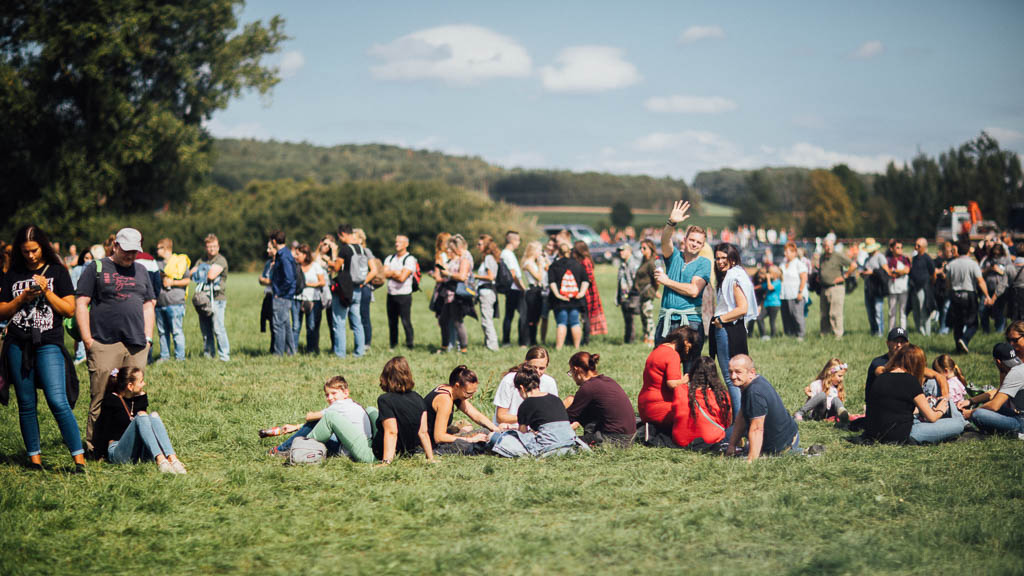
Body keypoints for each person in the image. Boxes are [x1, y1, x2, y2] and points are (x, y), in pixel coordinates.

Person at [0, 225, 85, 471]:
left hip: (48, 342)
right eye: (26, 252)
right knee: (26, 403)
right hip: (17, 343)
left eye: (34, 250)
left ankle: (78, 460)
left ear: (43, 247)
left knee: (57, 400)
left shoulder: (57, 271)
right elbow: (2, 310)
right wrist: (20, 299)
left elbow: (69, 309)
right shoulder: (13, 274)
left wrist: (46, 291)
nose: (31, 256)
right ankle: (34, 460)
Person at [77, 227, 156, 456]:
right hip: (103, 342)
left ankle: (133, 446)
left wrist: (148, 338)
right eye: (127, 251)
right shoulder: (97, 268)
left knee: (134, 396)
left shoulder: (141, 270)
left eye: (135, 252)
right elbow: (81, 303)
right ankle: (95, 449)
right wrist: (87, 340)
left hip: (136, 344)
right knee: (101, 396)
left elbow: (148, 304)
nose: (131, 256)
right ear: (116, 246)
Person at [863, 345, 963, 444]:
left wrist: (922, 406)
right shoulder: (910, 381)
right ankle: (966, 425)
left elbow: (895, 409)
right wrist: (940, 409)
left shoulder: (881, 378)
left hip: (876, 433)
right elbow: (932, 417)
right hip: (903, 434)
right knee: (959, 423)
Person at [92, 367, 186, 473]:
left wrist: (142, 397)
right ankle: (161, 460)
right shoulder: (111, 401)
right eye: (141, 381)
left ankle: (172, 458)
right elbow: (101, 429)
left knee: (153, 415)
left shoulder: (135, 399)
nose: (144, 384)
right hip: (118, 452)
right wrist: (99, 455)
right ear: (130, 386)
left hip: (136, 451)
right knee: (141, 415)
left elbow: (144, 426)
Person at [266, 375, 374, 462]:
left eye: (333, 393)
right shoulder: (352, 404)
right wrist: (296, 427)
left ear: (346, 393)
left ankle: (281, 450)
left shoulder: (339, 405)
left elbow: (310, 417)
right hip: (357, 447)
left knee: (315, 422)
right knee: (319, 423)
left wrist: (300, 424)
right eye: (327, 395)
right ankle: (289, 448)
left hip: (348, 452)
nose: (330, 398)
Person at [709, 243, 759, 424]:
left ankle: (739, 424)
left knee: (733, 379)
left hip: (728, 329)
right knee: (738, 378)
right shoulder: (734, 274)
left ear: (732, 257)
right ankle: (743, 420)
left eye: (724, 258)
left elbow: (742, 308)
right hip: (734, 329)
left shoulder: (734, 277)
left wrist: (721, 320)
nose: (720, 262)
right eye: (718, 258)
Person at [489, 366, 586, 458]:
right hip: (569, 444)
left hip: (547, 449)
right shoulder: (555, 399)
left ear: (522, 388)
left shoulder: (526, 404)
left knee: (494, 437)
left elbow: (523, 435)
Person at [655, 202, 711, 353]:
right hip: (666, 319)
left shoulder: (704, 263)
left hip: (690, 322)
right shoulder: (674, 257)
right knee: (660, 364)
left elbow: (694, 290)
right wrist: (671, 222)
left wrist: (667, 281)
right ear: (685, 240)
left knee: (690, 367)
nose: (694, 244)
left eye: (699, 242)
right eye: (692, 240)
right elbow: (665, 241)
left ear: (703, 246)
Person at [726, 355, 800, 461]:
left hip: (784, 446)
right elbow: (742, 416)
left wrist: (751, 461)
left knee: (722, 437)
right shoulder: (754, 381)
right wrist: (731, 446)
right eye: (730, 372)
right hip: (791, 435)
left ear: (751, 372)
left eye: (738, 372)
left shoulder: (754, 393)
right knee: (728, 434)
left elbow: (757, 429)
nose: (733, 376)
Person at [563, 351, 636, 446]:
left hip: (615, 440)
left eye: (571, 372)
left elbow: (570, 416)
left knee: (567, 443)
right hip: (630, 437)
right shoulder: (607, 380)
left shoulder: (588, 387)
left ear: (576, 370)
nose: (571, 376)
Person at [424, 365, 499, 455]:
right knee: (473, 444)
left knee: (486, 432)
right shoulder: (445, 400)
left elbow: (474, 414)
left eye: (473, 393)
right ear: (457, 386)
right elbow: (439, 437)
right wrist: (470, 440)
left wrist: (495, 428)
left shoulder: (450, 390)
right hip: (428, 443)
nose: (471, 397)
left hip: (435, 436)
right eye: (468, 393)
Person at [372, 356, 434, 464]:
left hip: (383, 451)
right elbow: (423, 432)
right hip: (409, 452)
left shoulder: (385, 400)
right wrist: (431, 458)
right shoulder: (418, 398)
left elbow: (391, 432)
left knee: (370, 412)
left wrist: (386, 462)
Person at [638, 326, 699, 432]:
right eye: (689, 347)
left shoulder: (658, 349)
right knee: (696, 416)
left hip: (645, 407)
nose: (688, 352)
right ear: (685, 342)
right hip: (659, 408)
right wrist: (686, 379)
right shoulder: (673, 355)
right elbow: (672, 384)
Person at [958, 340, 1024, 436]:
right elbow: (999, 392)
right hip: (1018, 415)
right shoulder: (1020, 366)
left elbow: (995, 405)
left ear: (998, 361)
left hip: (1021, 422)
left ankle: (1016, 433)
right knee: (986, 405)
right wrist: (971, 401)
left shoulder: (1014, 373)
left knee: (978, 414)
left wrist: (971, 412)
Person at [493, 346, 560, 427]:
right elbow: (500, 417)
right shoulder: (509, 380)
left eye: (541, 368)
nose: (538, 372)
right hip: (510, 428)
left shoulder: (550, 382)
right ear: (526, 363)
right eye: (534, 367)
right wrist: (529, 418)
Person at [947, 238, 993, 354]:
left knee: (958, 323)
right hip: (969, 295)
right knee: (973, 323)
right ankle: (964, 340)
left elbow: (948, 283)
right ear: (968, 251)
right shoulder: (973, 264)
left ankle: (958, 348)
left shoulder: (951, 264)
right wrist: (987, 295)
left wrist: (950, 294)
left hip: (956, 295)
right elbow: (980, 281)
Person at [328, 224, 366, 358]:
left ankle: (340, 353)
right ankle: (359, 352)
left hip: (345, 289)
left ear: (343, 234)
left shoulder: (345, 249)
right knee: (357, 322)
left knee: (339, 321)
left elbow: (337, 267)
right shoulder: (360, 248)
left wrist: (329, 261)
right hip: (358, 288)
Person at [189, 234, 229, 361]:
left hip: (217, 299)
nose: (212, 249)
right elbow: (190, 274)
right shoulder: (202, 260)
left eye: (214, 246)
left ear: (218, 247)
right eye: (209, 246)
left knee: (218, 329)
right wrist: (205, 269)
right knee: (206, 330)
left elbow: (211, 276)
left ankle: (224, 356)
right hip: (203, 300)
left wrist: (201, 271)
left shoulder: (221, 260)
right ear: (205, 247)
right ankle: (208, 356)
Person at [547, 243, 590, 350]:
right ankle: (576, 347)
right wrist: (581, 293)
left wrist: (558, 295)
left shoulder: (554, 266)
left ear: (559, 252)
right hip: (575, 299)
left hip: (560, 300)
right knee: (575, 322)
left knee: (561, 323)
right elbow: (586, 280)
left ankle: (558, 347)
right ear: (570, 252)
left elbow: (551, 282)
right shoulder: (577, 265)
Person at [435, 235, 474, 353]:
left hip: (457, 295)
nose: (449, 251)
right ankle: (445, 346)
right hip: (448, 294)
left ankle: (463, 348)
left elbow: (462, 277)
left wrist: (448, 274)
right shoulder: (455, 259)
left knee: (457, 321)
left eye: (451, 249)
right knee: (443, 320)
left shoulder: (465, 259)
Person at [154, 238, 190, 362]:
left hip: (175, 303)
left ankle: (180, 358)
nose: (156, 250)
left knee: (176, 331)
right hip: (160, 302)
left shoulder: (179, 262)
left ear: (166, 248)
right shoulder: (156, 263)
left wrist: (172, 282)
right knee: (162, 332)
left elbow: (187, 280)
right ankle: (165, 356)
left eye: (159, 247)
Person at [382, 234, 417, 350]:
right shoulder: (389, 258)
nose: (397, 244)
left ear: (406, 244)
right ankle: (393, 344)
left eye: (400, 242)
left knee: (405, 321)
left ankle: (410, 344)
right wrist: (396, 273)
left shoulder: (410, 259)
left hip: (404, 294)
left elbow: (402, 277)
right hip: (391, 294)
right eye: (396, 242)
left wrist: (392, 273)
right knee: (392, 322)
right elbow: (384, 273)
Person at [818, 238, 856, 339]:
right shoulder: (822, 257)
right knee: (824, 314)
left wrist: (845, 276)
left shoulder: (838, 256)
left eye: (830, 245)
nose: (828, 248)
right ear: (823, 247)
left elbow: (853, 265)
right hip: (824, 288)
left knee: (835, 313)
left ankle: (838, 335)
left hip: (836, 288)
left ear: (833, 246)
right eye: (826, 246)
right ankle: (824, 334)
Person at [292, 243, 326, 354]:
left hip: (312, 299)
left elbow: (322, 282)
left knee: (311, 326)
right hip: (296, 298)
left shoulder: (315, 266)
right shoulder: (295, 266)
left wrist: (307, 284)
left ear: (305, 254)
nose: (296, 256)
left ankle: (311, 350)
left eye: (298, 254)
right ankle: (293, 350)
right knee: (296, 326)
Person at [267, 230, 296, 356]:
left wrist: (280, 292)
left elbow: (289, 278)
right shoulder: (286, 253)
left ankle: (278, 353)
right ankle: (291, 351)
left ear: (274, 241)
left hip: (282, 296)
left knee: (278, 325)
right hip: (285, 295)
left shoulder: (283, 255)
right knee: (286, 324)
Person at [352, 228, 381, 348]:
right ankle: (358, 343)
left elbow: (374, 271)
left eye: (354, 237)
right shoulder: (349, 251)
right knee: (354, 317)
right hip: (352, 287)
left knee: (364, 315)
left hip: (364, 288)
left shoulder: (366, 251)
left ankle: (366, 343)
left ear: (360, 239)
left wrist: (362, 283)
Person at [573, 241, 606, 343]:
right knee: (583, 316)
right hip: (584, 291)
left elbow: (590, 277)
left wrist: (580, 281)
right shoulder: (581, 260)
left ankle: (585, 339)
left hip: (587, 293)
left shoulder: (585, 261)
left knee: (585, 317)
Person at [500, 230, 528, 347]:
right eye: (518, 240)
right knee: (523, 315)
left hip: (510, 289)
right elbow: (513, 273)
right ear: (512, 240)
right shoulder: (508, 254)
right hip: (515, 289)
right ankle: (522, 342)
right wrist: (522, 287)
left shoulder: (504, 253)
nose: (519, 243)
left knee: (509, 315)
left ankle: (506, 340)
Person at [474, 235, 501, 351]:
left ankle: (492, 345)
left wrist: (475, 276)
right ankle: (489, 343)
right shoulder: (488, 258)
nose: (477, 246)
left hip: (487, 291)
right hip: (486, 291)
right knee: (486, 318)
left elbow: (491, 276)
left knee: (487, 319)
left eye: (480, 244)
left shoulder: (489, 258)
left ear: (485, 246)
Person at [520, 240, 548, 346]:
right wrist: (541, 265)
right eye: (540, 251)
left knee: (536, 318)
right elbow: (539, 277)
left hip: (538, 290)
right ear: (534, 251)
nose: (541, 253)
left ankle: (533, 340)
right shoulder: (528, 263)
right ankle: (526, 341)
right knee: (530, 318)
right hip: (532, 291)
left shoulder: (534, 263)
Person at [779, 241, 808, 340]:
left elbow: (804, 278)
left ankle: (800, 334)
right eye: (785, 252)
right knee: (786, 316)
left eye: (787, 252)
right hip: (784, 295)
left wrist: (800, 292)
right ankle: (789, 334)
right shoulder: (783, 263)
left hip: (796, 294)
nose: (785, 254)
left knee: (797, 315)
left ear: (794, 253)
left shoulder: (799, 264)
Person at [980, 242, 1011, 333]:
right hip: (987, 288)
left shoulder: (1006, 260)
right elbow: (980, 273)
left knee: (999, 311)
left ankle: (999, 331)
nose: (996, 255)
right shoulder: (987, 259)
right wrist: (989, 269)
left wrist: (999, 270)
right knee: (983, 310)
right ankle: (985, 330)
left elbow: (1009, 274)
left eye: (998, 253)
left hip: (1001, 289)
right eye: (994, 253)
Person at [859, 238, 887, 337]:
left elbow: (885, 272)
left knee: (878, 311)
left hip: (877, 289)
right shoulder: (867, 259)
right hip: (868, 288)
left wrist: (873, 272)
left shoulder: (880, 257)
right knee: (870, 312)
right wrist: (863, 274)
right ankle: (873, 331)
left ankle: (880, 332)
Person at [908, 237, 936, 336]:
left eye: (918, 246)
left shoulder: (927, 259)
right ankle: (919, 331)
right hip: (914, 288)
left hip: (923, 288)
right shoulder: (914, 259)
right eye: (915, 245)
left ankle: (927, 333)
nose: (916, 247)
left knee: (924, 311)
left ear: (924, 247)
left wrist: (929, 285)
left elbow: (933, 274)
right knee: (916, 312)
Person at [634, 239, 659, 347]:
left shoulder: (651, 263)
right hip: (641, 293)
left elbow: (657, 279)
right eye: (641, 248)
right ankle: (646, 335)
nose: (642, 250)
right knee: (643, 315)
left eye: (644, 248)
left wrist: (655, 290)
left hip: (648, 292)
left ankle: (651, 337)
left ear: (651, 249)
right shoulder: (643, 261)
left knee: (648, 314)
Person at [614, 243, 640, 344]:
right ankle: (628, 339)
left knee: (632, 318)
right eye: (620, 251)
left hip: (632, 295)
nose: (620, 253)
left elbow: (636, 280)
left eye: (623, 250)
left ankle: (632, 340)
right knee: (627, 319)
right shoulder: (622, 264)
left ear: (629, 251)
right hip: (623, 296)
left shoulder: (634, 264)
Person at [885, 239, 911, 332]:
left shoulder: (904, 259)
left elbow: (907, 270)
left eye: (901, 247)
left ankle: (903, 332)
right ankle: (891, 332)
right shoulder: (888, 260)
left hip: (903, 289)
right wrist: (899, 272)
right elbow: (888, 271)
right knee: (892, 312)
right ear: (892, 249)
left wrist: (896, 271)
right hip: (892, 289)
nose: (900, 250)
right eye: (897, 248)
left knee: (902, 312)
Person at [259, 241, 276, 352]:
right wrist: (265, 281)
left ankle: (277, 348)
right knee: (269, 322)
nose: (267, 251)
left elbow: (274, 281)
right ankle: (272, 347)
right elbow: (261, 280)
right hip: (268, 295)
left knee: (276, 324)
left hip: (277, 296)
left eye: (270, 248)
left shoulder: (280, 263)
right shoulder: (268, 263)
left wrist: (265, 280)